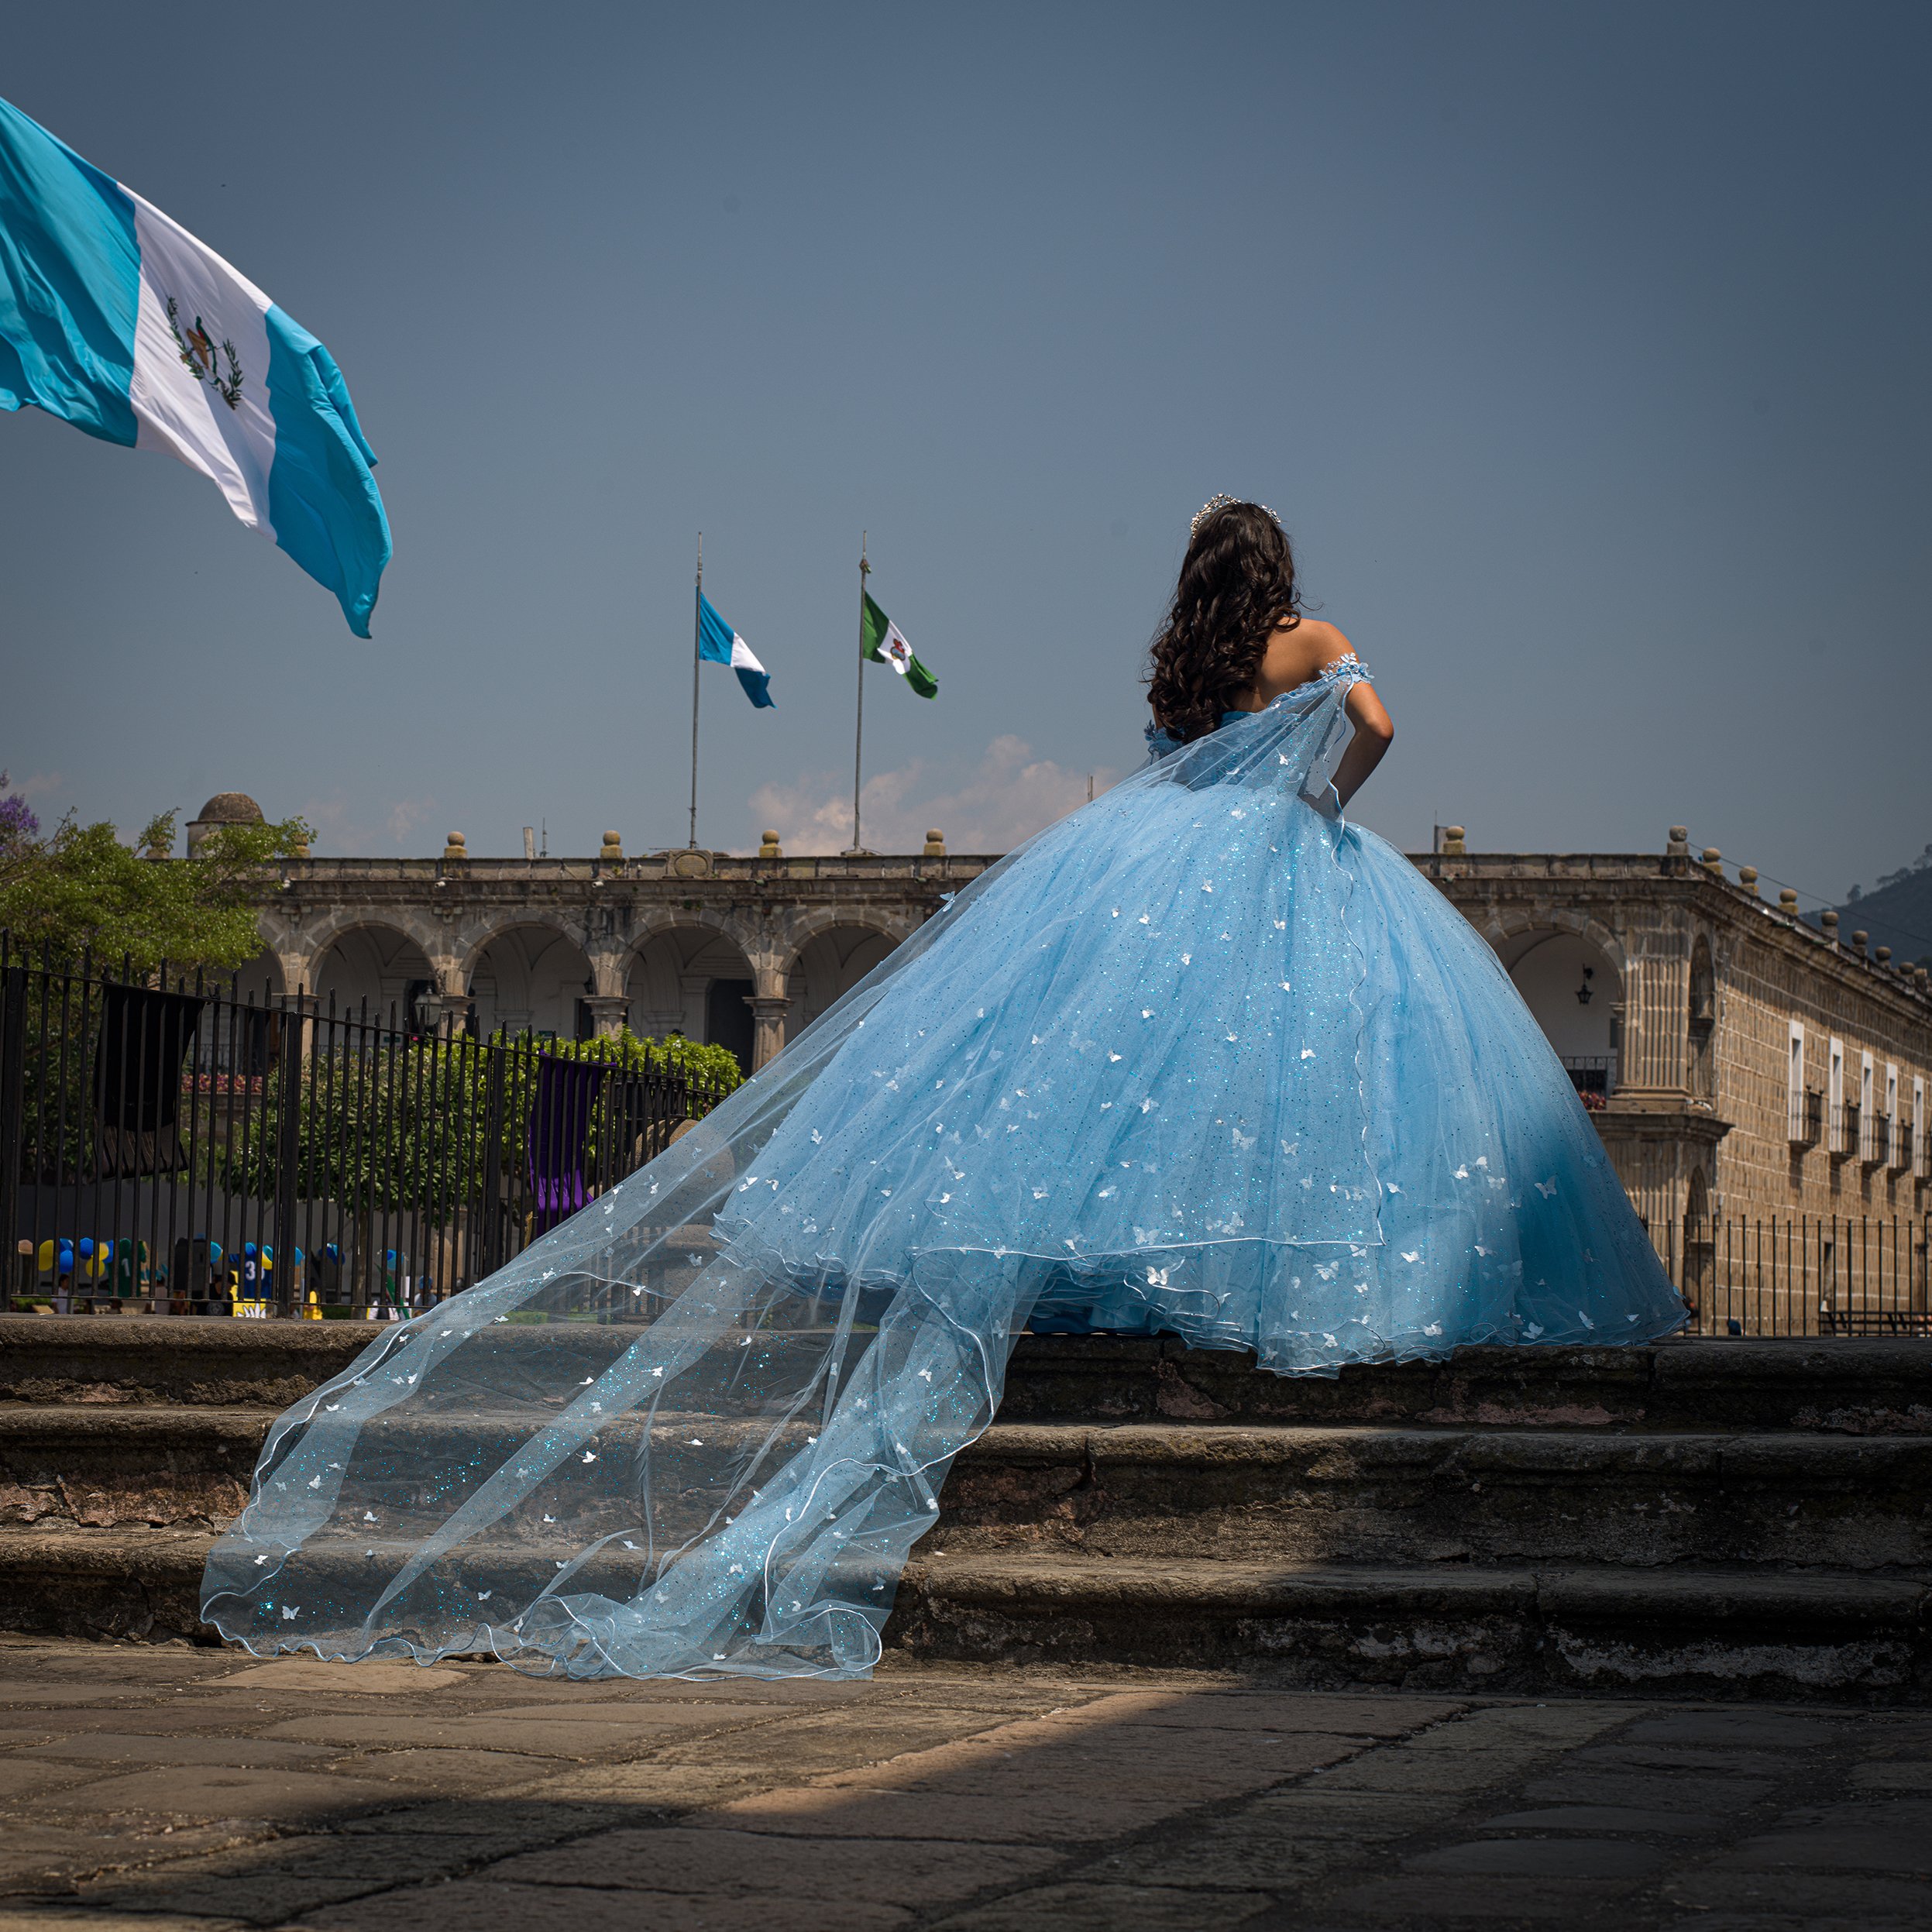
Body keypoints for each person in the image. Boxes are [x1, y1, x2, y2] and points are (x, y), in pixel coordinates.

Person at [204, 497, 1684, 1681]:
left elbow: (1170, 778)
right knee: (1277, 1095)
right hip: (1273, 857)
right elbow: (1372, 731)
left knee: (1122, 1093)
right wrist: (1313, 804)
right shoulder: (1312, 643)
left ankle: (1110, 1298)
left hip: (1153, 870)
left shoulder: (1175, 668)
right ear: (1278, 573)